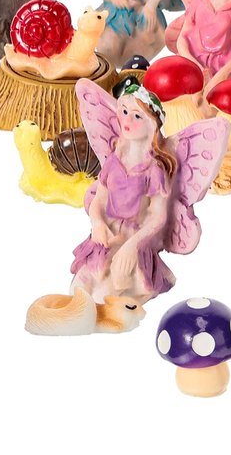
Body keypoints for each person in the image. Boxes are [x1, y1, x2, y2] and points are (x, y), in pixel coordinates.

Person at [70, 86, 176, 303]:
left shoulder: (153, 170)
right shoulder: (113, 161)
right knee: (79, 286)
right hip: (107, 233)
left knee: (104, 296)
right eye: (125, 112)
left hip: (133, 239)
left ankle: (136, 287)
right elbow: (99, 200)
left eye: (137, 116)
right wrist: (98, 223)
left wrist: (132, 245)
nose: (127, 120)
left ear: (151, 126)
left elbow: (158, 217)